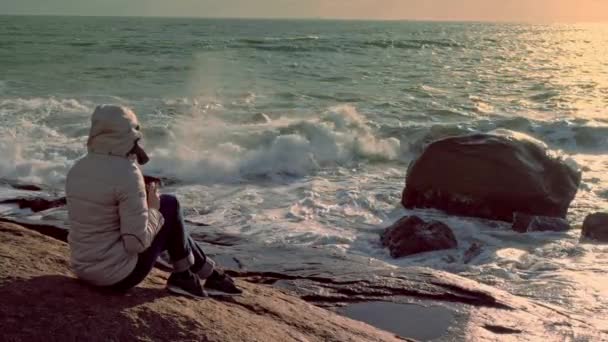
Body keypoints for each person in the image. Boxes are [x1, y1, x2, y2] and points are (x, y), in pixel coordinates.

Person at [65, 104, 241, 298]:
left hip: (82, 268)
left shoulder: (78, 168)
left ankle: (199, 273)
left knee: (169, 213)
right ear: (129, 132)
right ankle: (189, 275)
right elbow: (136, 243)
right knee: (169, 205)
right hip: (116, 277)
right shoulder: (127, 174)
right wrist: (153, 209)